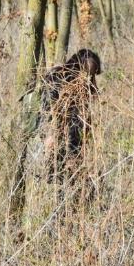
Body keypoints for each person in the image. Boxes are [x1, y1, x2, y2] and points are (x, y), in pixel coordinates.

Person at [39, 49, 102, 186]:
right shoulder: (58, 76)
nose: (90, 78)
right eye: (89, 73)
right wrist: (49, 133)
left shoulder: (82, 84)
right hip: (54, 130)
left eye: (92, 75)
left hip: (71, 132)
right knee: (54, 170)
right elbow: (47, 106)